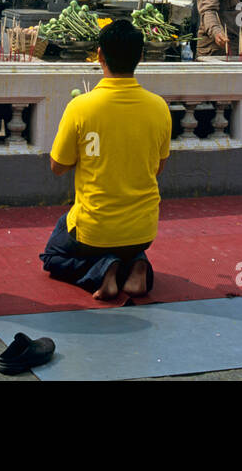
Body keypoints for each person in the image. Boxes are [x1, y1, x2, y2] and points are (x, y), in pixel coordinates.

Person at [40, 19, 171, 299]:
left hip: (94, 231)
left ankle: (103, 271)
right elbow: (157, 168)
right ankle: (137, 266)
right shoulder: (159, 107)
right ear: (141, 56)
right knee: (126, 243)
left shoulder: (81, 107)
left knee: (52, 255)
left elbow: (58, 167)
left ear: (99, 55)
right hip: (143, 230)